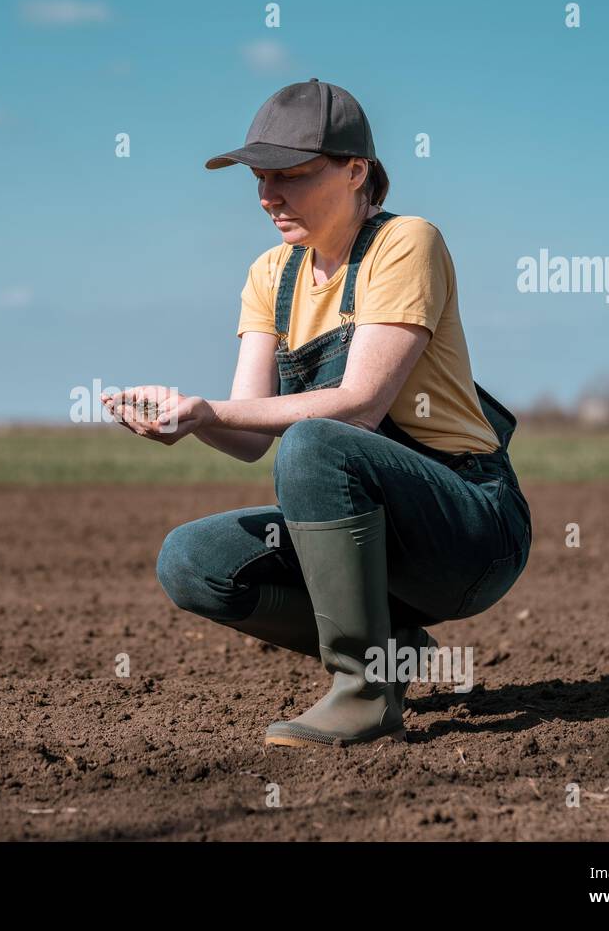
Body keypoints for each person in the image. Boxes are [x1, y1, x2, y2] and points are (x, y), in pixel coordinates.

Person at [100, 78, 532, 750]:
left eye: (290, 176)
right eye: (260, 178)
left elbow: (358, 405)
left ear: (356, 170)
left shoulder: (406, 244)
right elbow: (247, 433)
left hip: (468, 526)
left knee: (315, 443)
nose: (268, 196)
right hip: (377, 535)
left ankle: (363, 693)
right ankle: (394, 651)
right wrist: (190, 417)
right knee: (191, 559)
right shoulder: (269, 275)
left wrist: (217, 407)